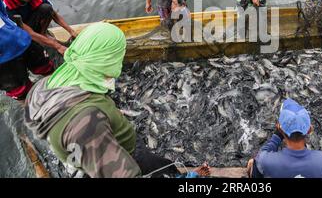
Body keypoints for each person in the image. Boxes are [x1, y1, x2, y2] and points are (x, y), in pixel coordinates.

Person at [24, 22, 209, 178]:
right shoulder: (85, 125)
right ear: (106, 58)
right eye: (117, 55)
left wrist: (108, 116)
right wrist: (96, 120)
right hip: (127, 158)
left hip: (99, 152)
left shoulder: (53, 82)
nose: (119, 61)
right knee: (163, 170)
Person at [247, 98, 322, 178]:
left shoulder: (265, 161)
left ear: (280, 128)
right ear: (309, 129)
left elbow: (259, 160)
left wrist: (277, 136)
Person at [1, 0, 77, 55]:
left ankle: (42, 33)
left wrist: (71, 31)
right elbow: (29, 32)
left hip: (31, 23)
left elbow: (54, 15)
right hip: (19, 31)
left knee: (46, 8)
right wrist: (58, 46)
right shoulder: (7, 9)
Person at [0, 1, 54, 100]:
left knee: (46, 68)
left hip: (21, 40)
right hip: (4, 61)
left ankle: (58, 90)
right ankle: (35, 108)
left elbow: (3, 13)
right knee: (21, 92)